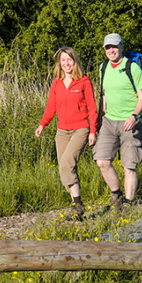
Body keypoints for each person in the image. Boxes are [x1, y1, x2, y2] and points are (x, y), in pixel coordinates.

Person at [35, 47, 98, 218]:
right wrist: (42, 124)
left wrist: (93, 130)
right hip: (62, 131)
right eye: (63, 60)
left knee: (66, 164)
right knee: (64, 169)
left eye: (69, 60)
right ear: (59, 63)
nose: (66, 63)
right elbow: (51, 108)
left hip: (81, 129)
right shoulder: (56, 83)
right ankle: (77, 207)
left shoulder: (84, 81)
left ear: (75, 61)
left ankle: (77, 204)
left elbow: (92, 108)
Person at [93, 33, 142, 211]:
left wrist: (134, 116)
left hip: (130, 120)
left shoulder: (132, 68)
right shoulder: (103, 67)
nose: (111, 50)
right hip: (109, 120)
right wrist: (99, 121)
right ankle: (117, 195)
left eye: (114, 47)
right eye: (108, 47)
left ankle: (129, 206)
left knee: (128, 165)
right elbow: (104, 96)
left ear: (121, 47)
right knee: (101, 160)